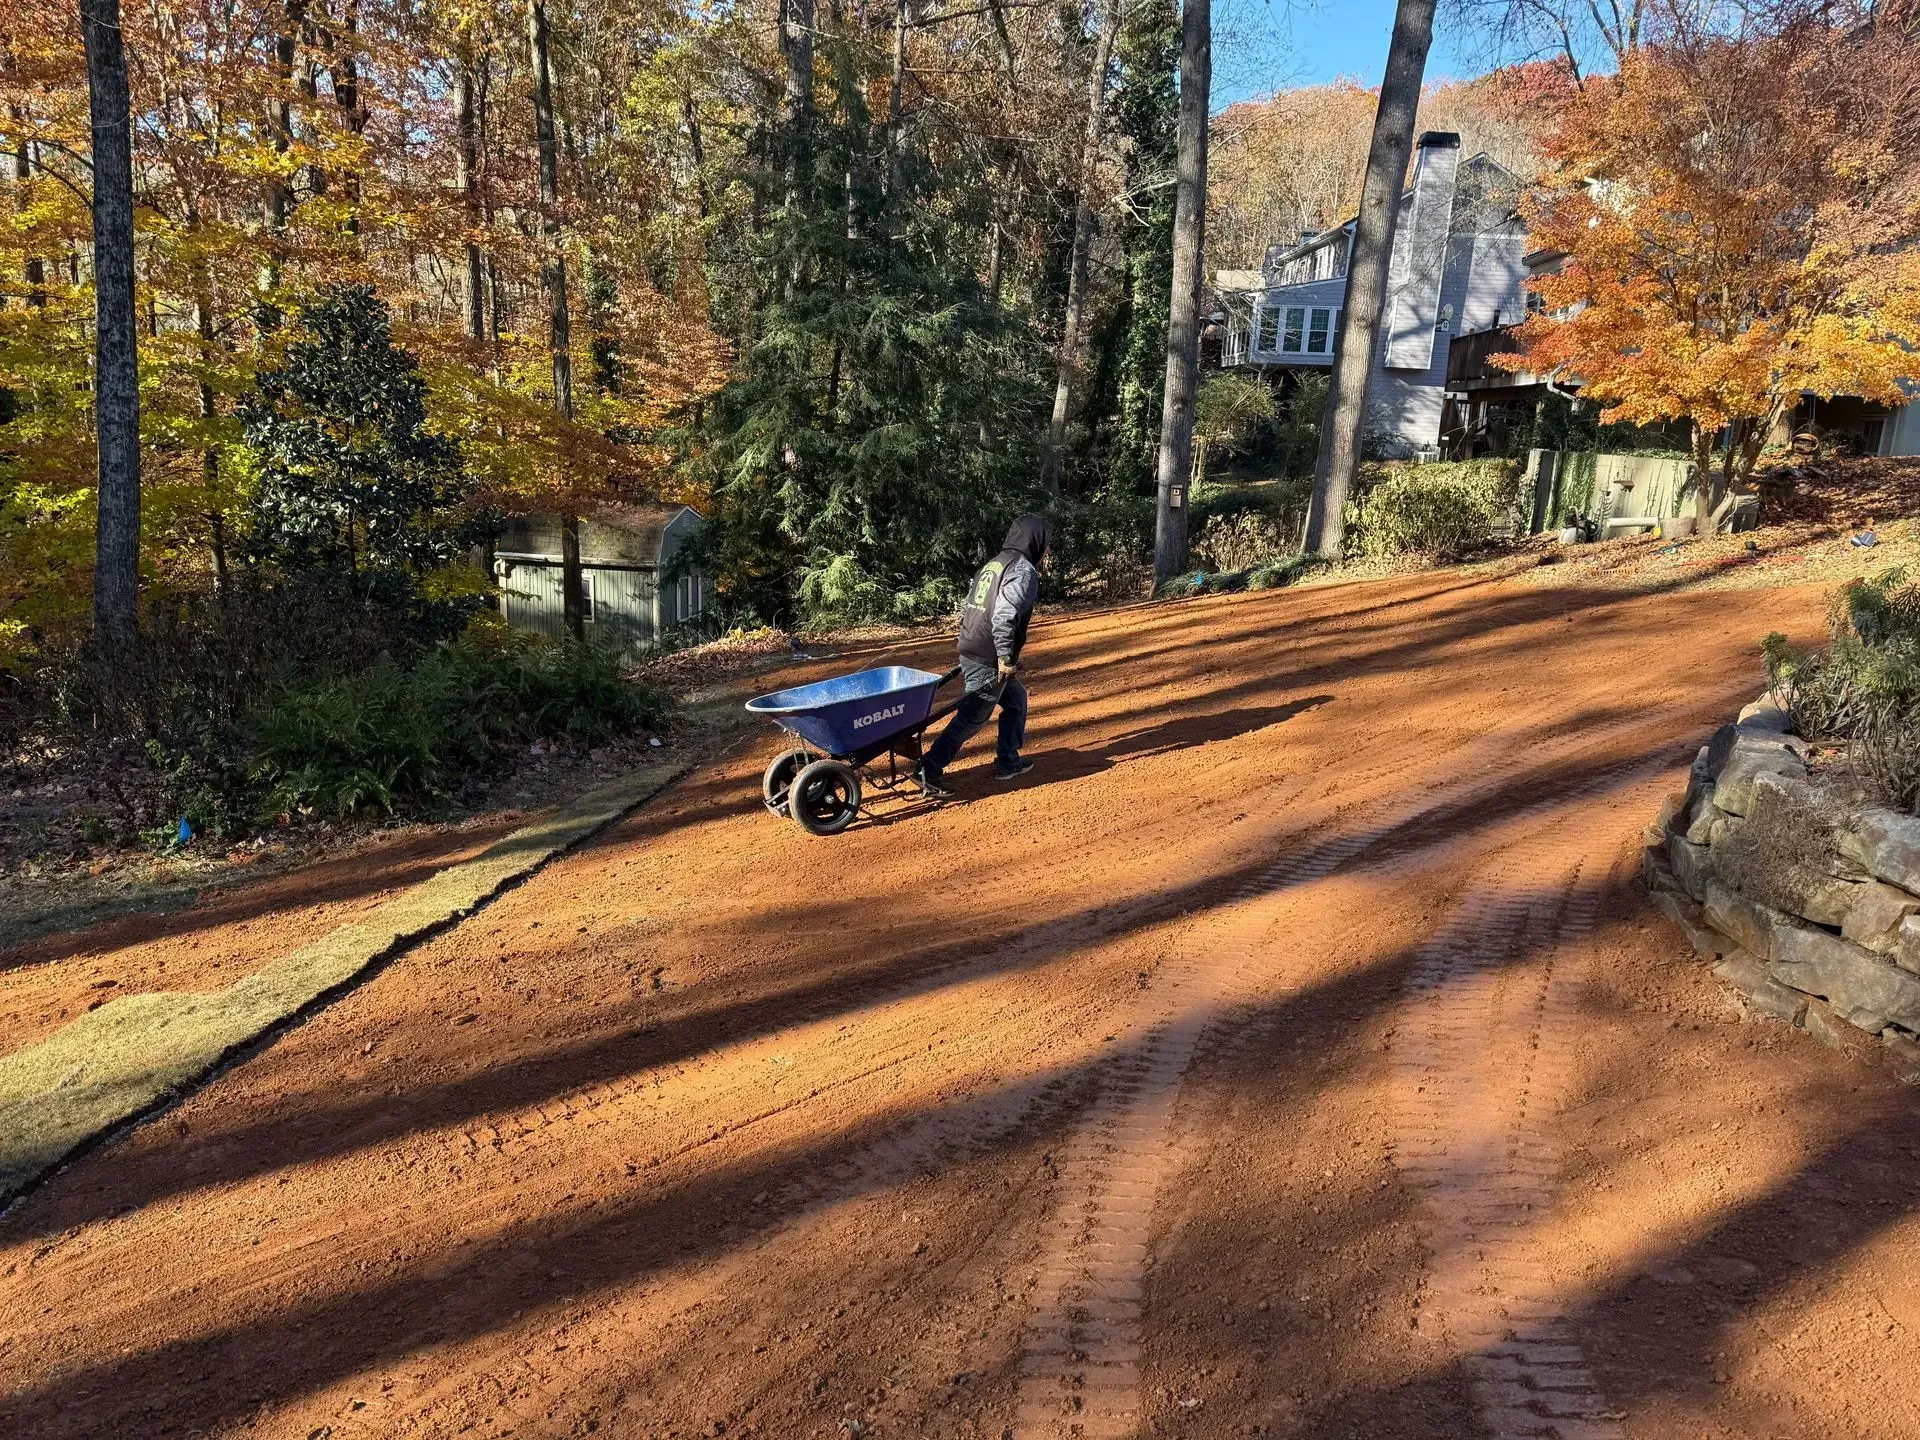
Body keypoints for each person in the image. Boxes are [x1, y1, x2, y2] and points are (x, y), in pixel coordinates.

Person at [918, 514, 1052, 798]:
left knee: (1015, 700)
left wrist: (1007, 656)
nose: (1048, 551)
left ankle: (1008, 761)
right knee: (972, 717)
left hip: (974, 646)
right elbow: (1004, 616)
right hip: (988, 655)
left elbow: (973, 607)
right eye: (1047, 544)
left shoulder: (994, 564)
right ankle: (929, 768)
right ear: (1035, 540)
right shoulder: (1022, 570)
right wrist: (1004, 657)